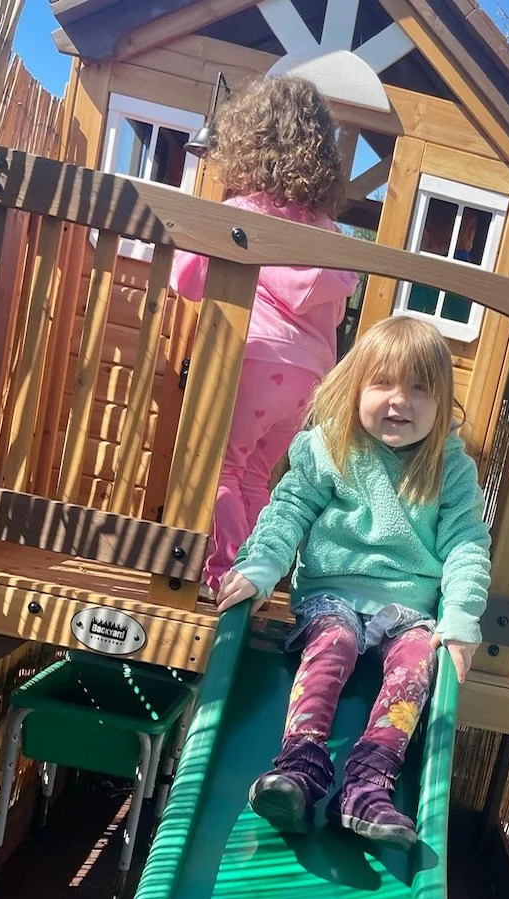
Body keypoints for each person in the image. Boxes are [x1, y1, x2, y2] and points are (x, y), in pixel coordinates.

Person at [217, 316, 492, 849]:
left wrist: (460, 619)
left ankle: (367, 785)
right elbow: (287, 512)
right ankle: (300, 767)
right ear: (356, 386)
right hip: (333, 595)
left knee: (418, 661)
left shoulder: (449, 467)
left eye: (419, 388)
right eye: (383, 383)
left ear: (441, 403)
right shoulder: (330, 447)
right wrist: (261, 567)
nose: (400, 401)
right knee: (334, 641)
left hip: (409, 609)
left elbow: (465, 545)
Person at [171, 75, 359, 594]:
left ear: (249, 143)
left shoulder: (245, 216)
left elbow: (186, 280)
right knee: (255, 475)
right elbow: (334, 310)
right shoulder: (330, 236)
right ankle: (254, 574)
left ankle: (221, 577)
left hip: (253, 360)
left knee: (220, 470)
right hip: (307, 379)